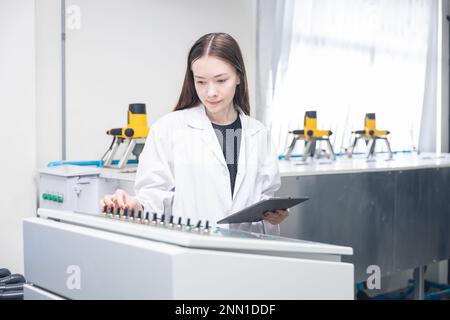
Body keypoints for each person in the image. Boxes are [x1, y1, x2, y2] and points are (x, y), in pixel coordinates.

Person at [101, 32, 288, 234]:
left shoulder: (258, 133)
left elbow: (264, 197)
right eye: (201, 81)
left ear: (238, 77)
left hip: (247, 252)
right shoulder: (169, 129)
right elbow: (153, 196)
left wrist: (274, 216)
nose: (211, 92)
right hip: (192, 250)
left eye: (221, 80)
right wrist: (132, 205)